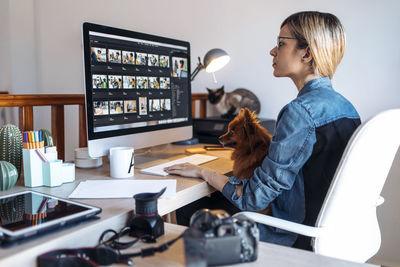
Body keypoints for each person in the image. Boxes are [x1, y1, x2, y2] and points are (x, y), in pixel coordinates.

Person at [164, 11, 361, 251]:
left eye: (281, 44)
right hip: (328, 230)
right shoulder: (346, 107)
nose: (272, 51)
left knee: (191, 207)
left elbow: (252, 198)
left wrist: (205, 173)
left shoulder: (300, 111)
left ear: (307, 52)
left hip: (291, 233)